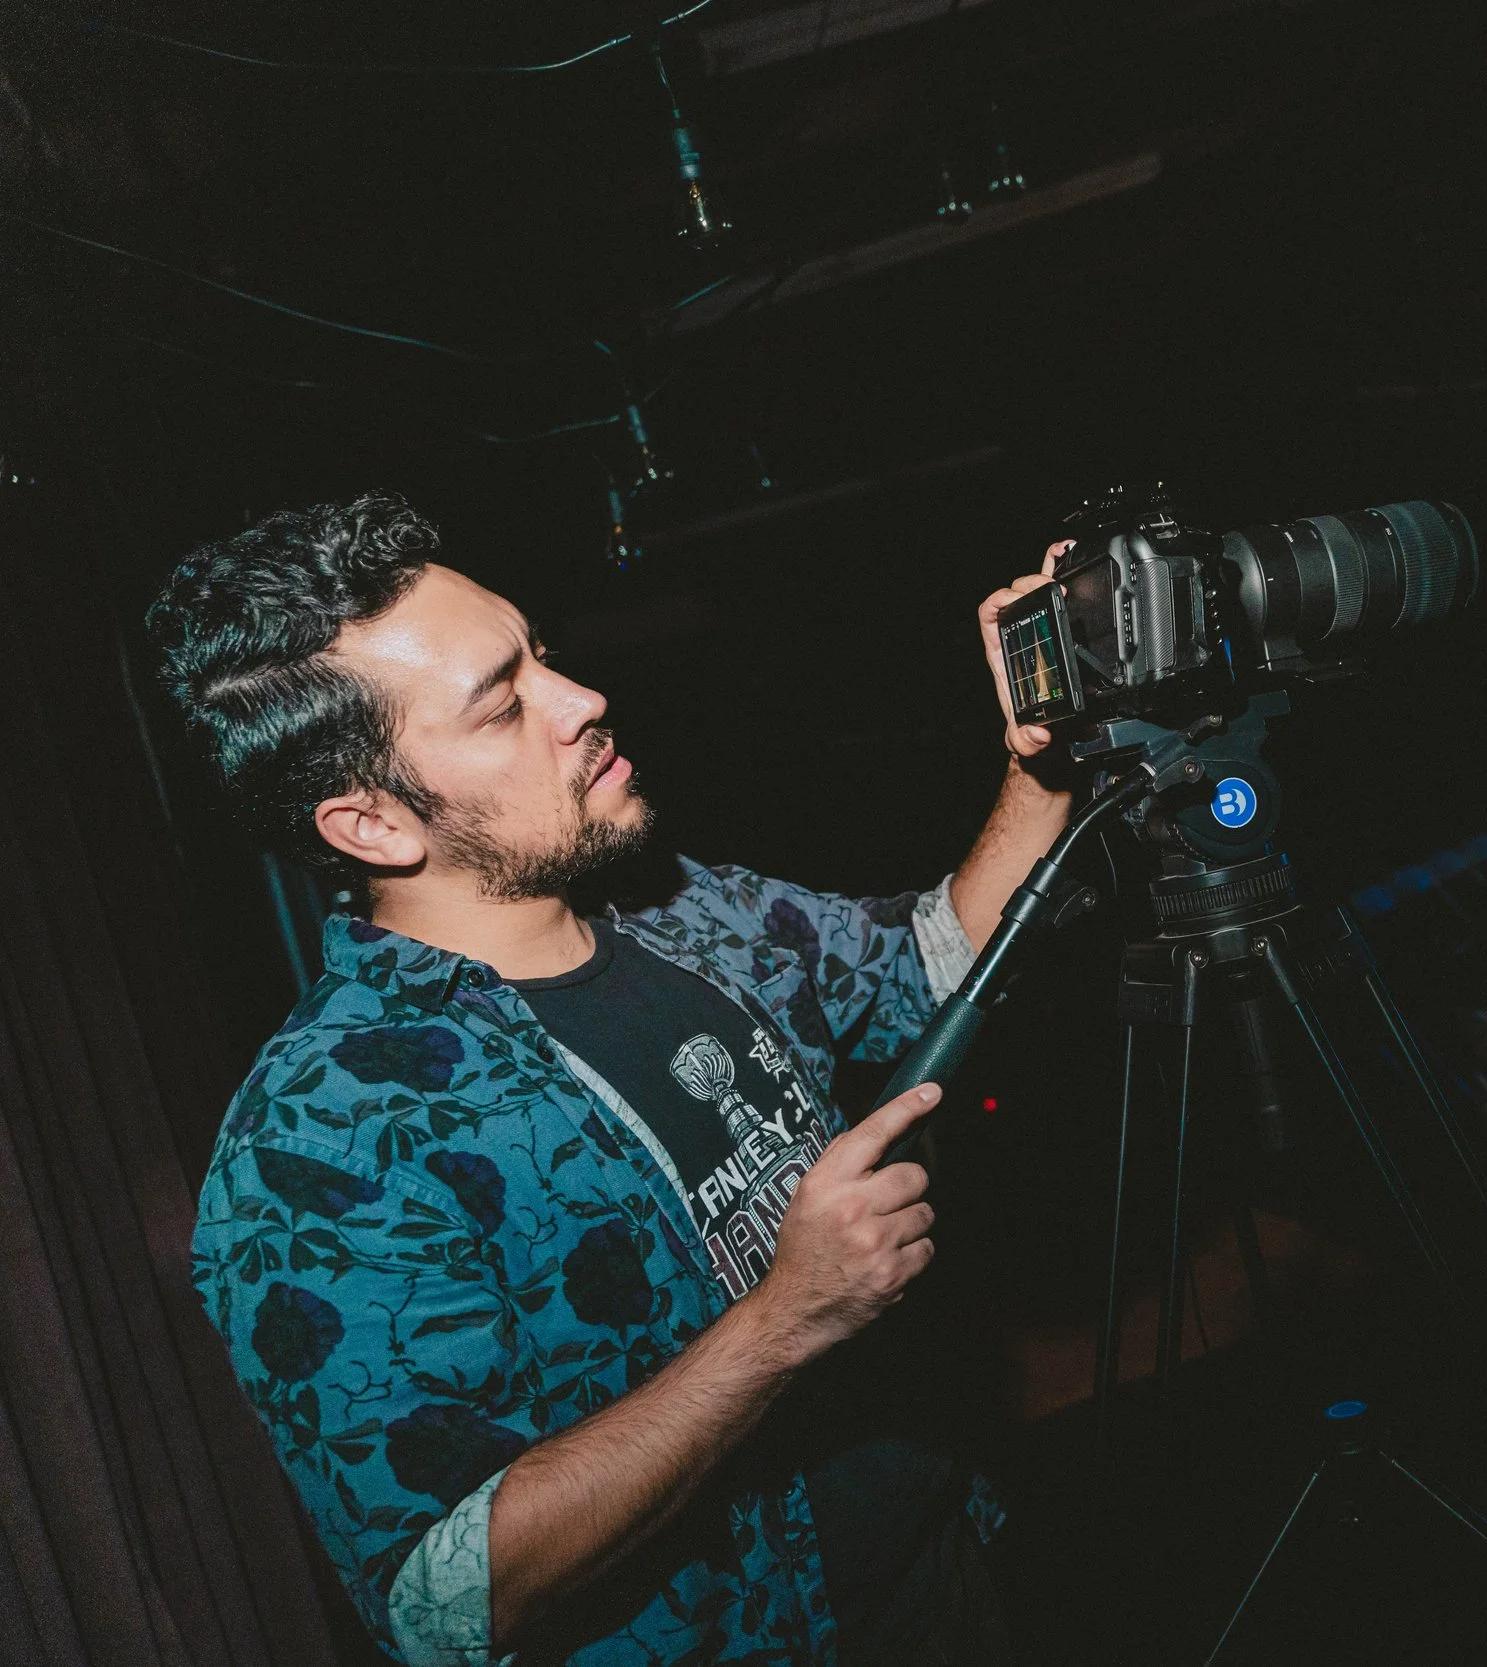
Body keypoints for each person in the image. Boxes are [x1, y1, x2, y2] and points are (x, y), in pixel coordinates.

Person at [148, 494, 1067, 1666]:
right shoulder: (321, 1142)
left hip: (942, 1572)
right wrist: (784, 1319)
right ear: (372, 824)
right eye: (503, 704)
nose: (580, 698)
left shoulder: (680, 905)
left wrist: (1043, 754)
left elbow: (928, 967)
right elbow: (446, 1599)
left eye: (541, 654)